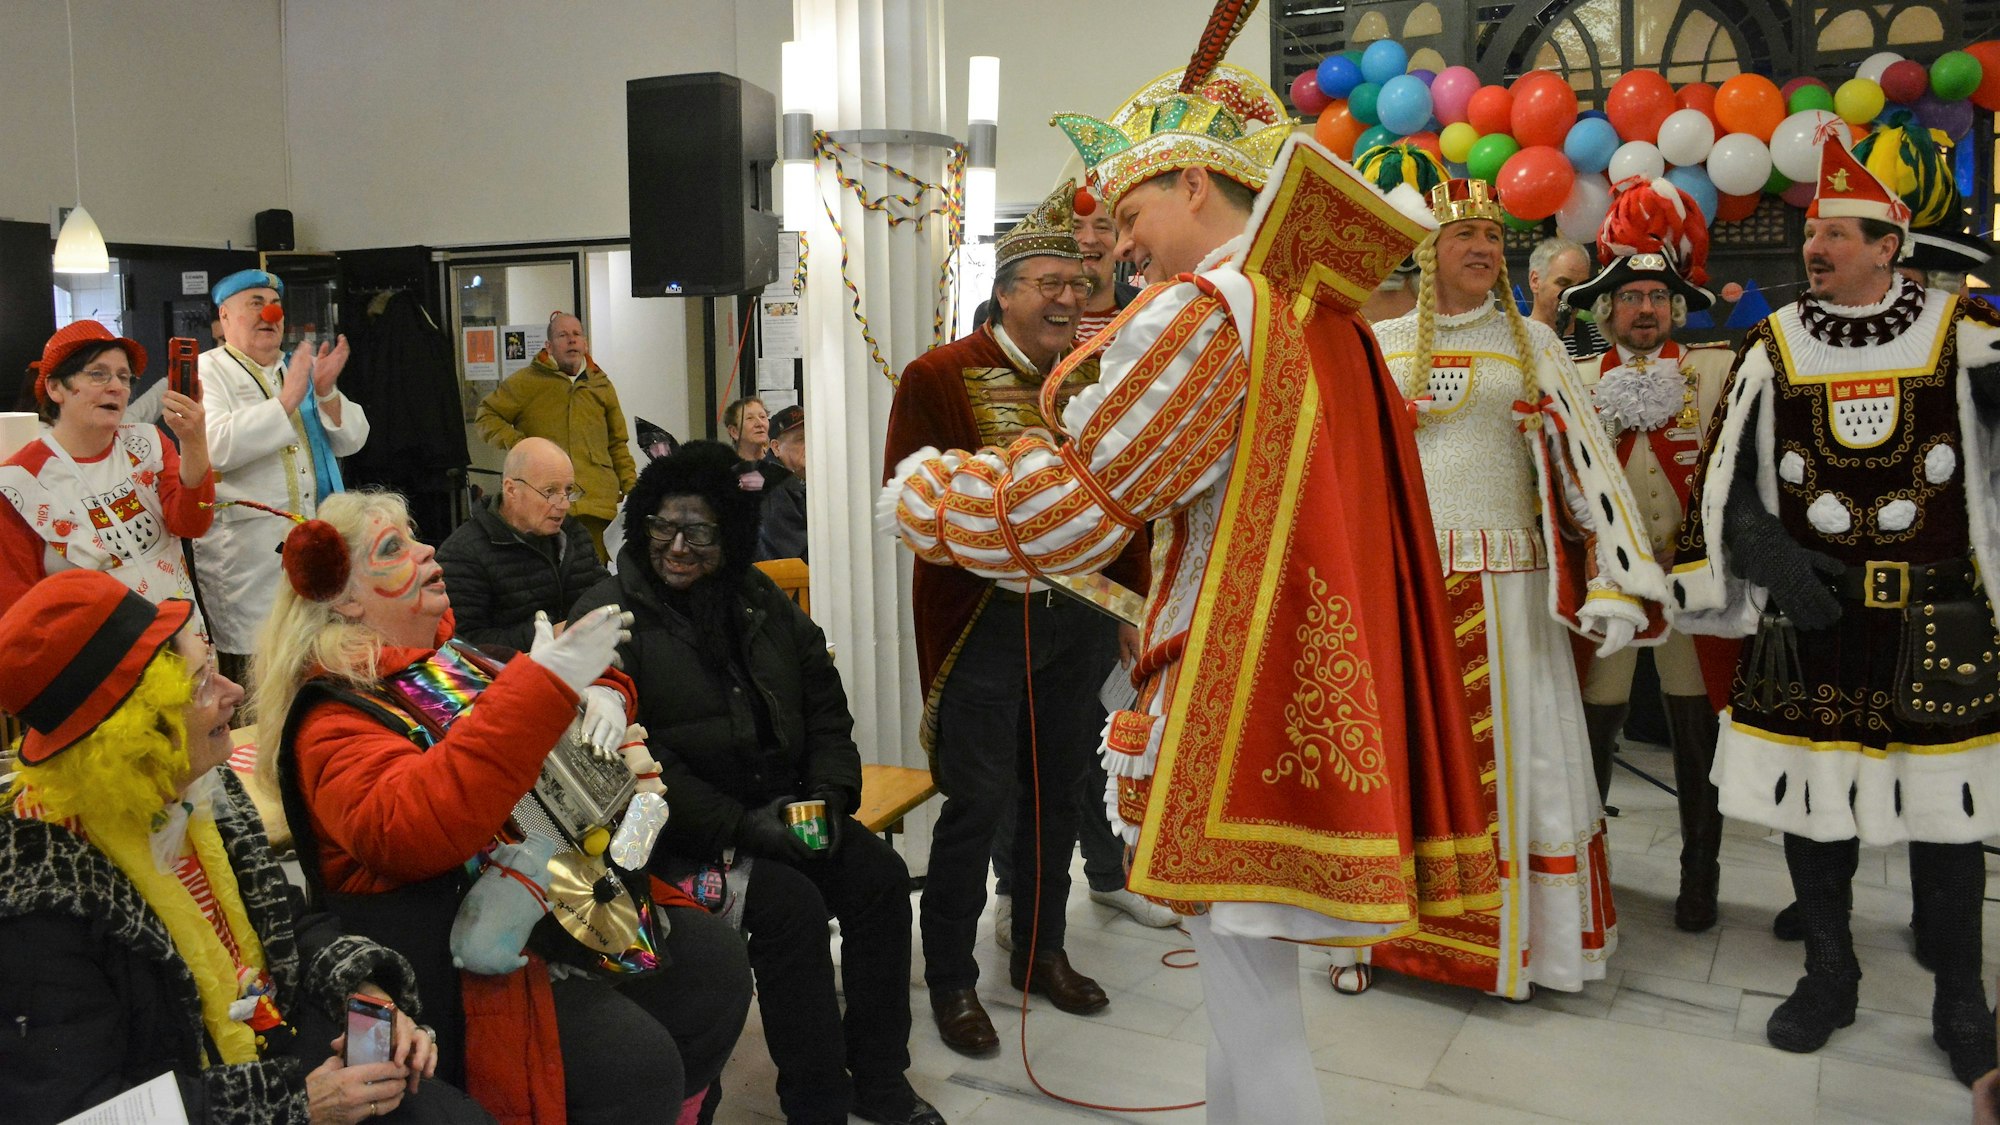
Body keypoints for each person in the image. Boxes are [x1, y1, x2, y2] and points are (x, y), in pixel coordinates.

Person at [891, 55, 1502, 1118]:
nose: (1114, 243)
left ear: (1192, 185)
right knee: (1249, 1002)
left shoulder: (1209, 310)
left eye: (1128, 211)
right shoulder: (1322, 314)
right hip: (1297, 689)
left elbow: (1073, 509)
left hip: (1236, 700)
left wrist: (924, 497)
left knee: (1253, 1017)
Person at [253, 490, 752, 1123]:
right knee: (634, 1065)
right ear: (345, 598)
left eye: (413, 535)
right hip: (452, 960)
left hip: (552, 900)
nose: (427, 548)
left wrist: (604, 692)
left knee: (715, 967)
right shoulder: (332, 716)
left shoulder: (447, 662)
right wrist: (542, 686)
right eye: (393, 548)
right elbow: (409, 830)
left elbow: (540, 699)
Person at [1671, 139, 2000, 1086]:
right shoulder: (1773, 342)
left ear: (1889, 246)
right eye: (1812, 232)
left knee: (1951, 817)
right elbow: (1725, 478)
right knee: (1815, 813)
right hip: (1814, 618)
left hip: (1938, 619)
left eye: (1836, 234)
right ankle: (1830, 972)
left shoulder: (1961, 330)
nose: (1815, 248)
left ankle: (1962, 1000)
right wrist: (1770, 554)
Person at [1330, 177, 1667, 1000]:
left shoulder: (1538, 347)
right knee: (1400, 756)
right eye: (1462, 235)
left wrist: (1621, 578)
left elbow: (1587, 463)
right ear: (1427, 251)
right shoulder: (1380, 341)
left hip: (1510, 588)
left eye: (1492, 234)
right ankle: (1370, 938)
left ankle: (1528, 944)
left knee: (1519, 761)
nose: (1481, 246)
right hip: (1408, 586)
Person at [0, 570, 489, 1124]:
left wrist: (365, 992)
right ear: (133, 733)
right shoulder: (39, 904)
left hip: (274, 1045)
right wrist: (298, 1106)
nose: (235, 694)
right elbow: (85, 1113)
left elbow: (282, 923)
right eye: (203, 683)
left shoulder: (204, 792)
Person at [569, 441, 941, 1125]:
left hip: (786, 808)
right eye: (662, 525)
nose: (677, 546)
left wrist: (830, 796)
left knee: (879, 878)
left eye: (700, 532)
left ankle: (881, 1079)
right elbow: (632, 763)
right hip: (681, 841)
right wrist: (744, 827)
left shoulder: (756, 596)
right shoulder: (611, 613)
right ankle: (817, 1103)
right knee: (791, 909)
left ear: (732, 535)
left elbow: (825, 702)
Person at [883, 181, 1149, 1057]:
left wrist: (1131, 604)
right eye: (1050, 284)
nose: (1070, 300)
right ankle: (953, 978)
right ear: (1004, 291)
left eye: (1078, 284)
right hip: (981, 625)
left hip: (1076, 617)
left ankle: (1042, 951)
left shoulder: (1098, 377)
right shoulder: (938, 376)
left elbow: (1129, 501)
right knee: (976, 802)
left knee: (1059, 793)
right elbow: (915, 509)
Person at [1562, 176, 1738, 932]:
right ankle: (1585, 868)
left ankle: (1701, 874)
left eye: (1657, 299)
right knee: (1590, 730)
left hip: (1689, 590)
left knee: (1696, 735)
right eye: (1630, 299)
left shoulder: (1716, 370)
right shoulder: (1572, 381)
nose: (1644, 310)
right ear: (1607, 310)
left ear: (1674, 308)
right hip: (1608, 589)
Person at [195, 269, 369, 685]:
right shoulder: (208, 370)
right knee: (260, 670)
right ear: (225, 315)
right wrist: (288, 400)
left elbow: (353, 440)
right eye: (254, 303)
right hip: (248, 555)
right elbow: (213, 446)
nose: (268, 313)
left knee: (315, 658)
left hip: (314, 543)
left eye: (273, 305)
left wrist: (324, 391)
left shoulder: (296, 367)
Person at [0, 321, 214, 616]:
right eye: (98, 374)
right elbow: (16, 612)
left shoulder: (148, 443)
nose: (116, 387)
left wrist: (194, 441)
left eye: (124, 377)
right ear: (55, 387)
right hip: (96, 656)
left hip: (183, 642)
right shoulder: (17, 484)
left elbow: (193, 524)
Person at [474, 312, 636, 561]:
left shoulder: (601, 385)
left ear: (585, 343)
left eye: (576, 334)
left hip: (596, 504)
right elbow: (487, 416)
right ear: (548, 346)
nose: (571, 340)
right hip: (543, 502)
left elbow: (617, 443)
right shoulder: (526, 382)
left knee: (592, 575)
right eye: (562, 335)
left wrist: (633, 488)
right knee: (546, 571)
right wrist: (522, 446)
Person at [435, 437, 607, 649]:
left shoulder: (573, 533)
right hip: (510, 677)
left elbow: (602, 594)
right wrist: (549, 635)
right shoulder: (462, 554)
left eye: (569, 490)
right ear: (511, 490)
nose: (563, 504)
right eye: (550, 491)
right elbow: (463, 645)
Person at [1529, 235, 1606, 359]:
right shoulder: (1510, 341)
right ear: (1535, 281)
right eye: (1563, 283)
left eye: (1581, 285)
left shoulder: (1603, 341)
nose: (1573, 293)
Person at [755, 405, 808, 561]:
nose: (811, 444)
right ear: (776, 447)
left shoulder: (799, 481)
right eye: (801, 439)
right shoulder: (773, 486)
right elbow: (797, 555)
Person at [722, 396, 769, 465]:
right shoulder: (724, 468)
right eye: (750, 418)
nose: (760, 423)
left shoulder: (778, 463)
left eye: (762, 417)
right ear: (734, 431)